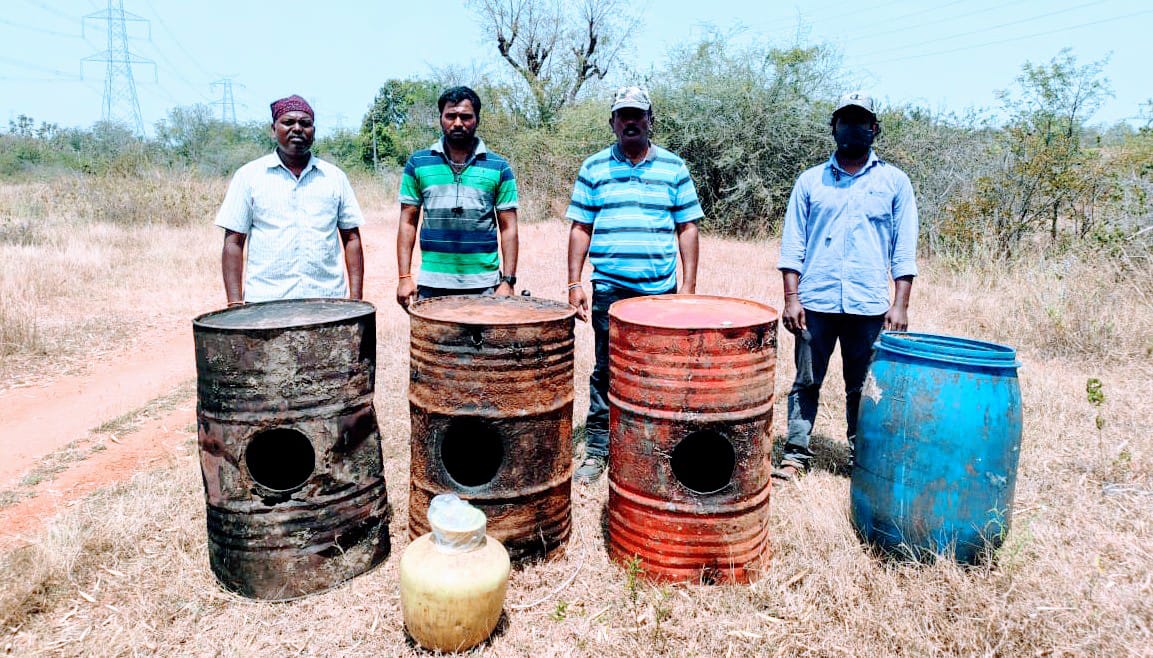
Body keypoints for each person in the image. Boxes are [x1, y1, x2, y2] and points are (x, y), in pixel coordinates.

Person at [774, 91, 919, 481]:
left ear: (874, 129)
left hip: (868, 305)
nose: (852, 128)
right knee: (806, 380)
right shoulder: (810, 181)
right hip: (814, 303)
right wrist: (791, 298)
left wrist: (900, 305)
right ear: (833, 127)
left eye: (861, 121)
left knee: (863, 385)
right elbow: (793, 246)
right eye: (845, 120)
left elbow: (903, 250)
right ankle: (796, 452)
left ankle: (861, 454)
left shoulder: (894, 182)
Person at [566, 86, 703, 483]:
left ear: (649, 121)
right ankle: (597, 450)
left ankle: (655, 447)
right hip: (610, 290)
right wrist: (574, 283)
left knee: (661, 372)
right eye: (622, 115)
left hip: (660, 292)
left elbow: (687, 228)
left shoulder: (674, 168)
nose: (630, 122)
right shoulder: (593, 168)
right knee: (607, 370)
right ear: (612, 122)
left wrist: (688, 290)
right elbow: (580, 228)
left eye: (637, 115)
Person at [215, 94, 365, 305]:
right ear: (273, 129)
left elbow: (352, 239)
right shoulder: (249, 176)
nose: (297, 128)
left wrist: (356, 301)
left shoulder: (334, 177)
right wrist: (234, 304)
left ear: (314, 131)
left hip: (326, 300)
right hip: (266, 301)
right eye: (288, 122)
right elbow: (233, 242)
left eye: (305, 123)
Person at [395, 86, 519, 307]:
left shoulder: (499, 167)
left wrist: (508, 281)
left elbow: (508, 228)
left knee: (486, 342)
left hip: (484, 285)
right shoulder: (419, 163)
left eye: (466, 116)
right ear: (441, 118)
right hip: (432, 284)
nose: (458, 123)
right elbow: (407, 223)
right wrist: (404, 278)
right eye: (450, 116)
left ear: (477, 119)